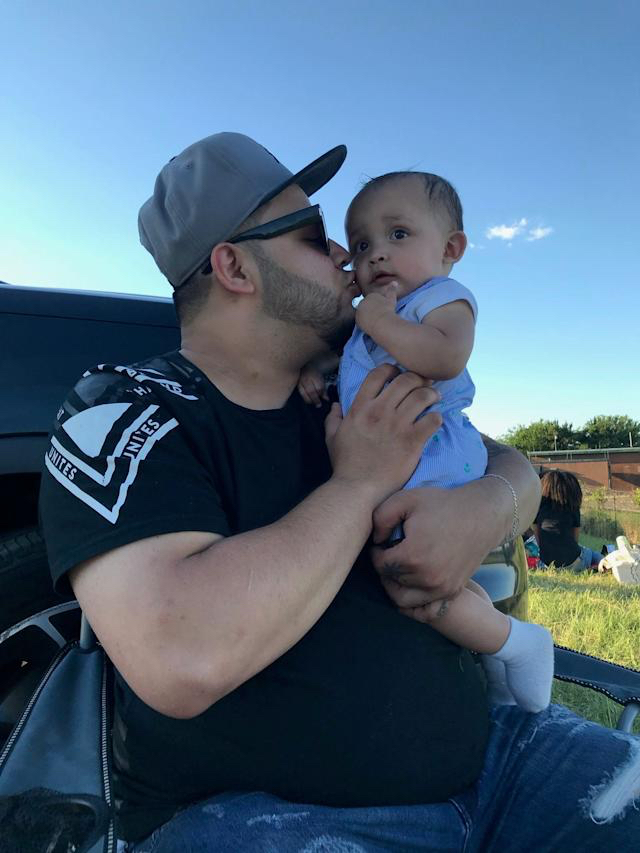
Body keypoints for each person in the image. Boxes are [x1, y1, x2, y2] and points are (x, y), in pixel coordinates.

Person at [38, 133, 639, 851]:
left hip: (499, 760)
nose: (348, 258)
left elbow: (506, 462)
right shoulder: (128, 409)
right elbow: (182, 656)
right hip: (273, 819)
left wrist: (487, 507)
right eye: (315, 236)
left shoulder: (348, 380)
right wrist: (361, 481)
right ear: (235, 267)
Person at [299, 171, 553, 713]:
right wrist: (317, 370)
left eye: (398, 234)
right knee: (431, 580)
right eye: (362, 244)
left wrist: (378, 320)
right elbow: (355, 363)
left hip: (434, 450)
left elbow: (444, 357)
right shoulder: (375, 319)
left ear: (450, 249)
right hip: (406, 452)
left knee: (403, 571)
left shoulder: (441, 299)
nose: (374, 255)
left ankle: (516, 644)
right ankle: (500, 650)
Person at [534, 470, 602, 570]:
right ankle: (605, 562)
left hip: (546, 564)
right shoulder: (572, 508)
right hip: (573, 562)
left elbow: (538, 539)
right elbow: (575, 539)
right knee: (591, 553)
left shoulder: (538, 508)